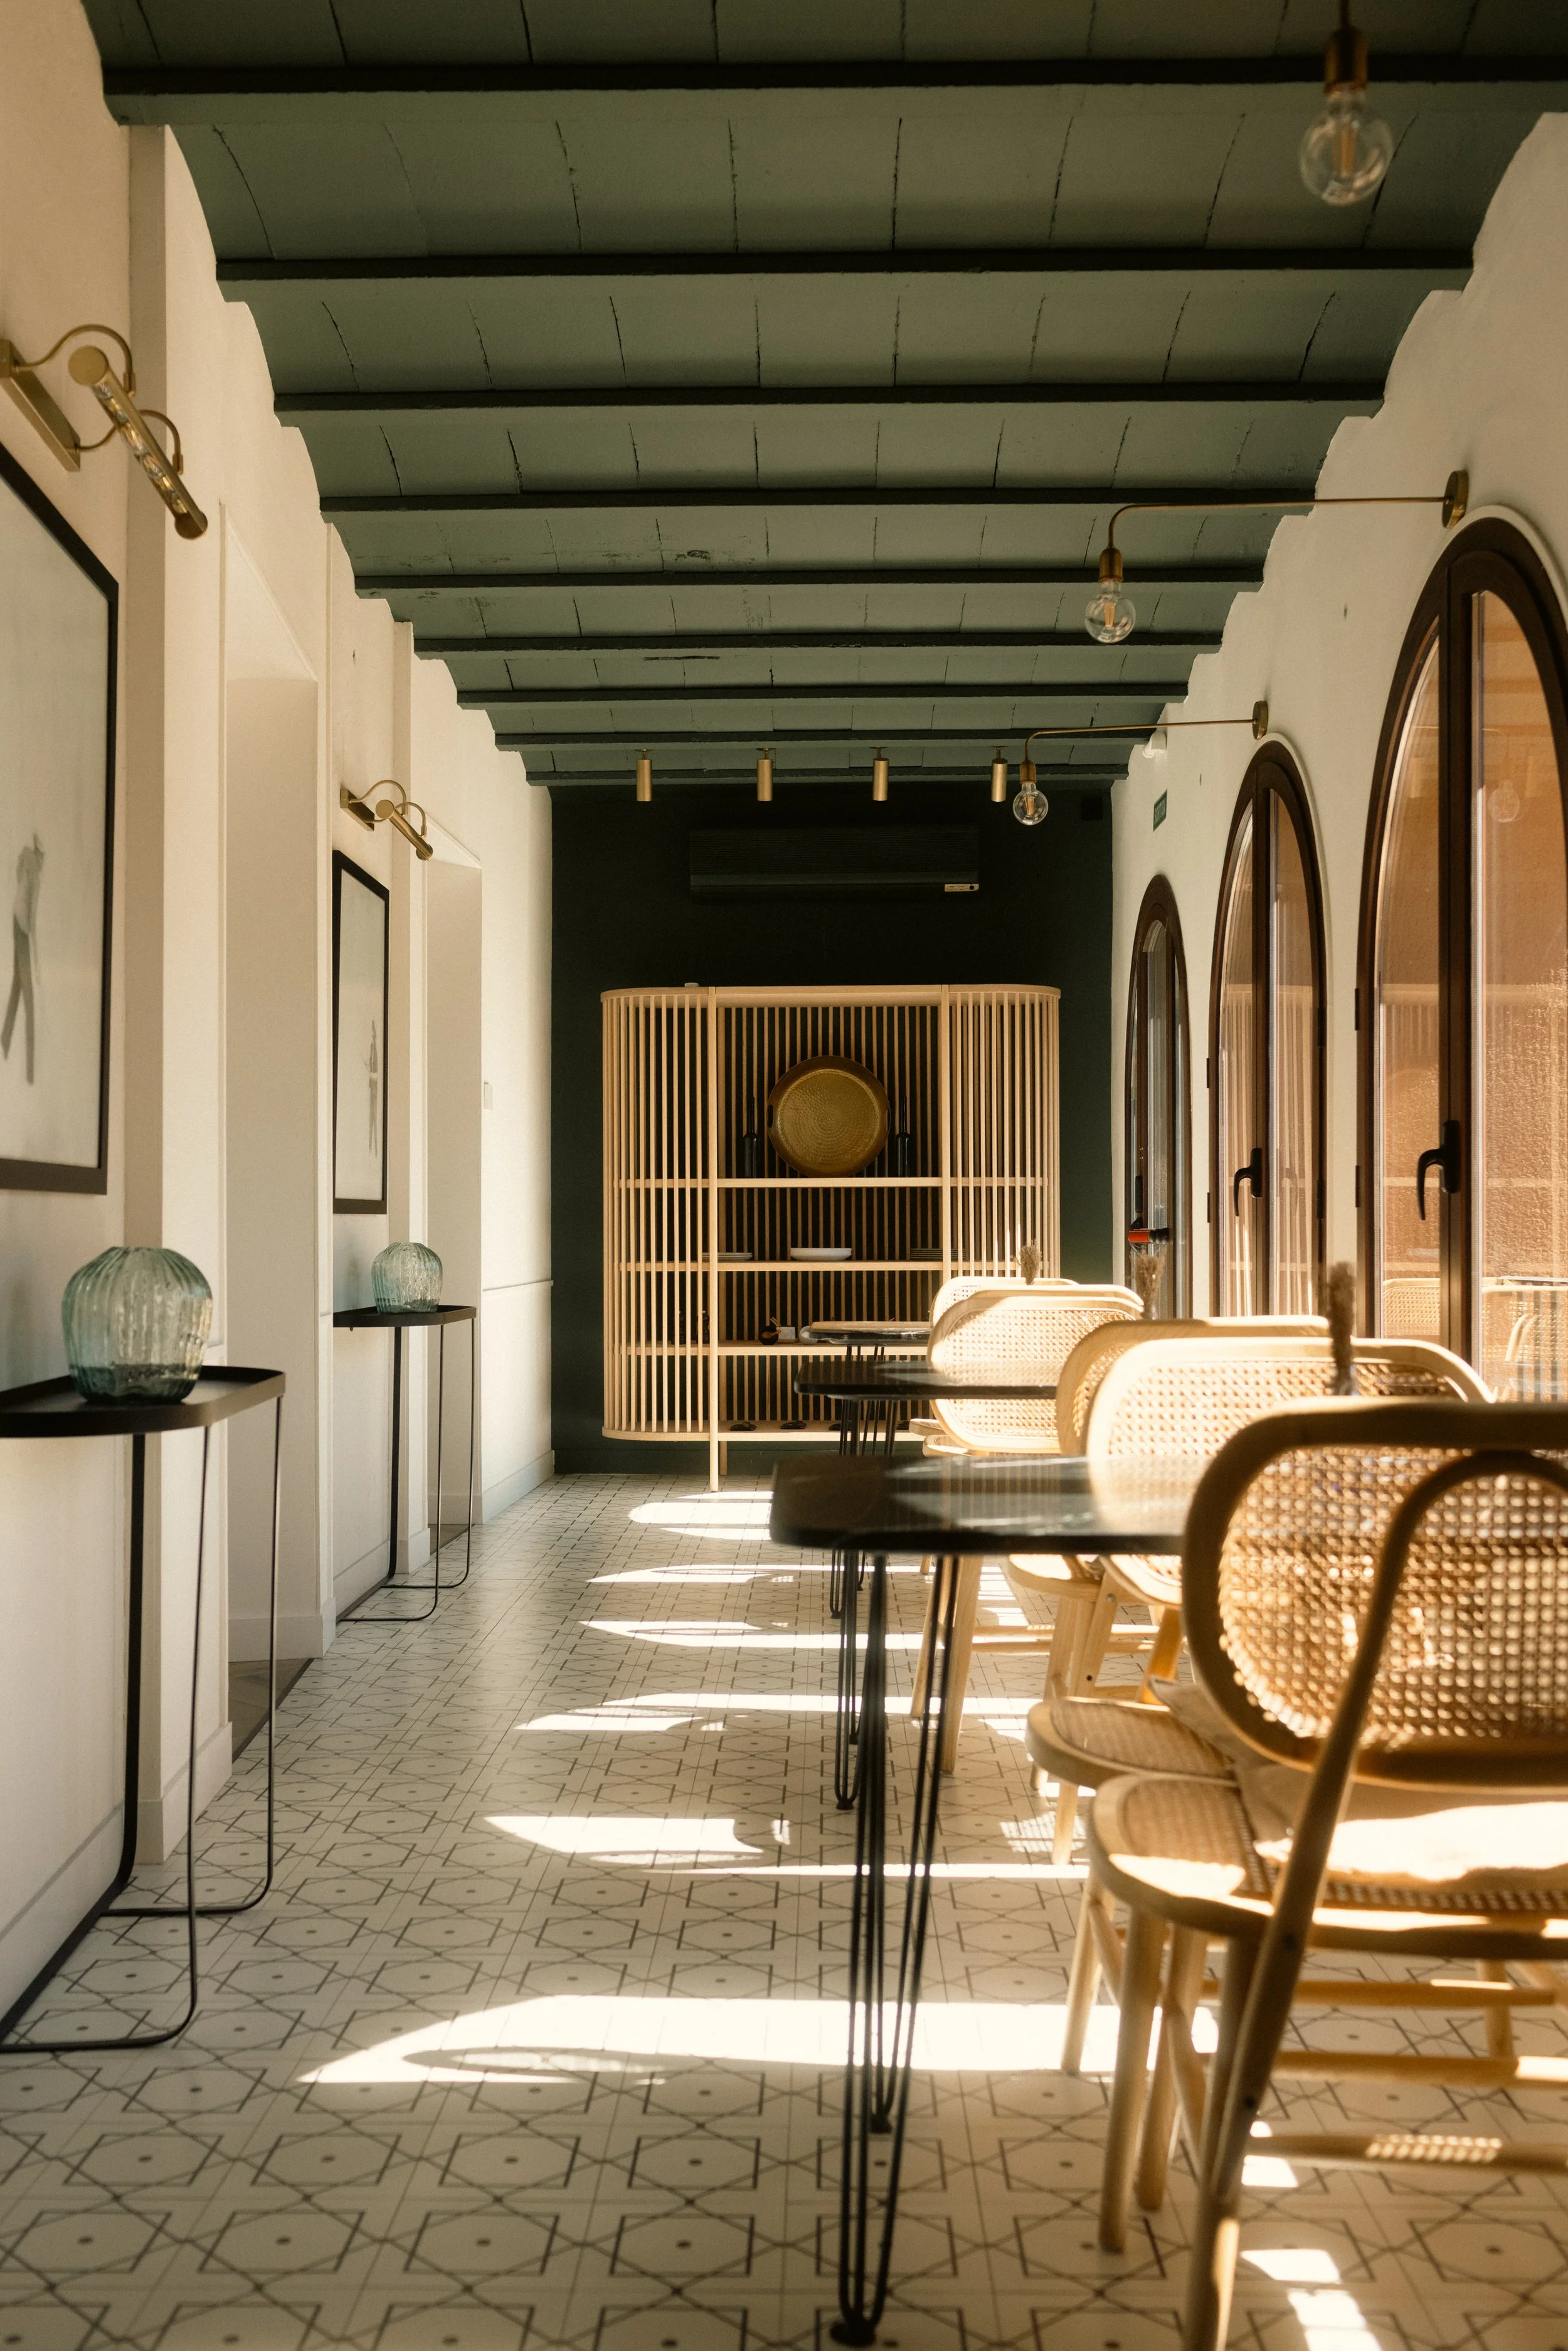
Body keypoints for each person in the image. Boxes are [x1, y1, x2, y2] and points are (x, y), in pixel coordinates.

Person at [1, 833, 44, 1085]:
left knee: (18, 987)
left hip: (16, 924)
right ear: (40, 853)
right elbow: (33, 921)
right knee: (29, 998)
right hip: (22, 928)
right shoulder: (35, 870)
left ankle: (5, 1040)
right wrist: (37, 962)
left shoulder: (26, 861)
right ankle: (30, 1074)